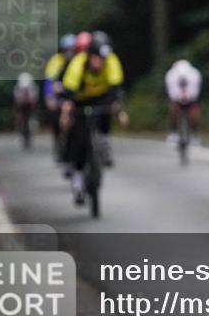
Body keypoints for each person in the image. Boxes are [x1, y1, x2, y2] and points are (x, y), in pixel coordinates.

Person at [59, 32, 128, 204]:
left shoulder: (111, 61)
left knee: (107, 110)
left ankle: (104, 142)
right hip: (80, 99)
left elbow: (116, 88)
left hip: (101, 98)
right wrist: (66, 112)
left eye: (103, 58)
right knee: (79, 138)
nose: (100, 62)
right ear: (89, 56)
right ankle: (78, 178)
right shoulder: (77, 64)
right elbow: (68, 93)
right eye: (97, 58)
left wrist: (119, 111)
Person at [43, 33, 76, 161]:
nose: (70, 53)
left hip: (75, 96)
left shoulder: (81, 60)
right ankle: (58, 144)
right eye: (67, 50)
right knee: (55, 117)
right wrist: (49, 97)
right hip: (61, 96)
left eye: (72, 49)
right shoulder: (56, 61)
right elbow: (49, 81)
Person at [164, 59, 202, 145]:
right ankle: (173, 132)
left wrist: (188, 96)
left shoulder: (195, 75)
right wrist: (179, 97)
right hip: (177, 98)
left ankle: (194, 135)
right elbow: (171, 93)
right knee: (173, 111)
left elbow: (195, 93)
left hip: (191, 99)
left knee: (195, 115)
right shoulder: (171, 76)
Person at [13, 72, 39, 144]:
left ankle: (29, 133)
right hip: (22, 106)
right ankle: (22, 133)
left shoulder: (32, 88)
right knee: (21, 119)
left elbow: (34, 98)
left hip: (29, 106)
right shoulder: (18, 88)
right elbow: (16, 98)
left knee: (31, 119)